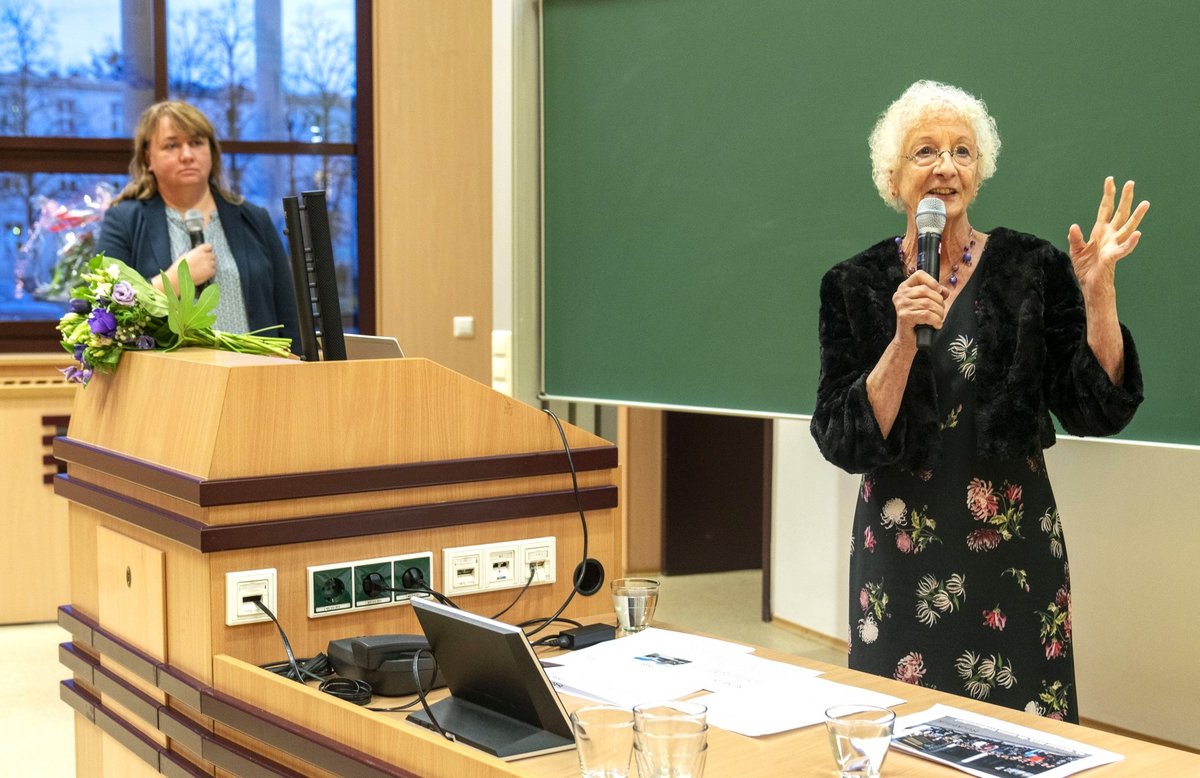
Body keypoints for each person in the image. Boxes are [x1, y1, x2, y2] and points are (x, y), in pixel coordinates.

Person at [810, 80, 1147, 722]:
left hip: (1013, 558)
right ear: (893, 175)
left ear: (980, 170)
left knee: (1023, 741)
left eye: (962, 151)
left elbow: (1094, 406)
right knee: (901, 734)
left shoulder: (1032, 268)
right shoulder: (852, 285)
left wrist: (1098, 295)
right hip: (901, 556)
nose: (945, 167)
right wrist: (903, 341)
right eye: (925, 151)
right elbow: (842, 438)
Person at [96, 101, 300, 352]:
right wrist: (170, 283)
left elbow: (289, 314)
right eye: (172, 145)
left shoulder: (253, 218)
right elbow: (102, 315)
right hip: (173, 384)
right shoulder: (124, 221)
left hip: (258, 378)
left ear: (211, 152)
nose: (187, 155)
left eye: (196, 143)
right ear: (148, 158)